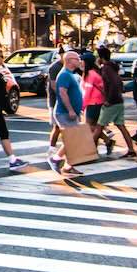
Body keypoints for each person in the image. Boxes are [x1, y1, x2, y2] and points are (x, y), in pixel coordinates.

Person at [51, 49, 86, 178]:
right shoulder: (65, 74)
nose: (79, 61)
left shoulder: (71, 74)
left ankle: (68, 166)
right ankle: (56, 159)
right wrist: (71, 110)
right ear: (70, 61)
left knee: (74, 139)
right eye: (77, 59)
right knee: (72, 139)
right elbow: (62, 93)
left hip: (71, 112)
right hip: (64, 112)